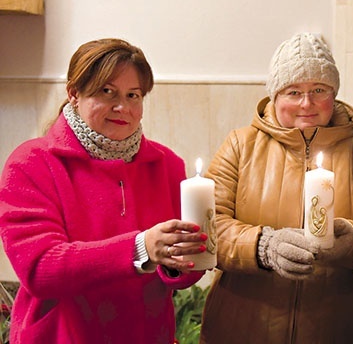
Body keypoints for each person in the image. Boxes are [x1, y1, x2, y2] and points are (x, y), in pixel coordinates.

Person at [0, 38, 208, 344]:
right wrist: (140, 248)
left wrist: (184, 262)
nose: (122, 107)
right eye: (106, 91)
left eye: (133, 95)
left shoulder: (167, 165)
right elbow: (40, 269)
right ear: (74, 93)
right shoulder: (31, 163)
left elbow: (180, 275)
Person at [200, 32, 353, 343]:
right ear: (275, 96)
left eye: (318, 90)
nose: (307, 103)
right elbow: (210, 229)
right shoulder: (240, 146)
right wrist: (263, 246)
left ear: (333, 94)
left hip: (339, 329)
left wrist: (350, 240)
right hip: (244, 327)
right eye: (293, 91)